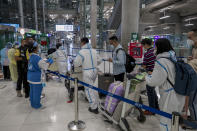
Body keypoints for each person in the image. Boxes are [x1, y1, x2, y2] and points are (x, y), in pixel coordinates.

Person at [146, 38, 185, 131]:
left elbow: (154, 82)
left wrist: (146, 77)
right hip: (178, 93)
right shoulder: (172, 57)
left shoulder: (161, 61)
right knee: (175, 122)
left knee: (166, 123)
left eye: (155, 46)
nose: (154, 48)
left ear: (159, 47)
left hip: (169, 97)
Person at [74, 37, 100, 114]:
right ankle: (93, 100)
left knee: (88, 89)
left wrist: (83, 63)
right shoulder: (94, 51)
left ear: (83, 42)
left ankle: (94, 107)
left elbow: (76, 63)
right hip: (95, 71)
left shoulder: (81, 52)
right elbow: (100, 60)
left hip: (87, 72)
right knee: (92, 87)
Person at [27, 41, 53, 109]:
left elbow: (38, 64)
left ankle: (32, 104)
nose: (39, 48)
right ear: (35, 49)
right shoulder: (37, 58)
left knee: (32, 91)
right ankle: (37, 105)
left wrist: (44, 62)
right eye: (38, 47)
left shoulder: (31, 56)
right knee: (37, 92)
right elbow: (45, 67)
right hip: (36, 78)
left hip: (30, 77)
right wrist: (50, 62)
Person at [141, 38, 159, 115]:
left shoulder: (147, 53)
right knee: (153, 90)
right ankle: (156, 107)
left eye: (143, 45)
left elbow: (144, 65)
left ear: (146, 44)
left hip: (150, 73)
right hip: (156, 73)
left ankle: (151, 110)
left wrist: (142, 66)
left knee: (150, 92)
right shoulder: (155, 52)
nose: (143, 47)